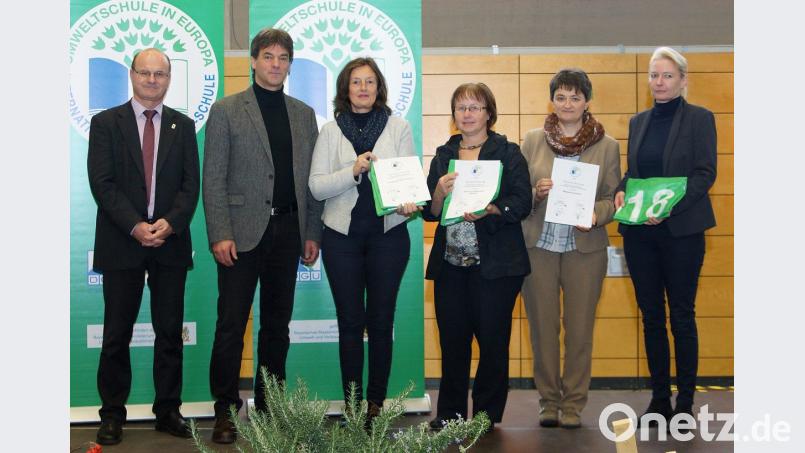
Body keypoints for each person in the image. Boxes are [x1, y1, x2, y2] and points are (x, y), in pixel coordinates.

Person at [203, 28, 323, 444]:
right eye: (268, 56)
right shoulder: (227, 110)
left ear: (290, 64)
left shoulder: (304, 114)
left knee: (277, 327)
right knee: (231, 325)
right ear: (253, 61)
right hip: (240, 233)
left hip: (289, 231)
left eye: (283, 57)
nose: (276, 64)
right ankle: (225, 409)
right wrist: (220, 232)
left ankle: (271, 407)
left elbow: (312, 181)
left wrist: (312, 232)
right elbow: (213, 178)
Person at [87, 48, 200, 445]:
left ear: (169, 79)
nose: (152, 80)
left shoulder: (183, 126)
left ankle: (168, 410)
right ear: (132, 75)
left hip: (170, 243)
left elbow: (191, 186)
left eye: (160, 74)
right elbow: (102, 184)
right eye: (145, 73)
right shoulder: (105, 123)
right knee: (117, 332)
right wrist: (136, 226)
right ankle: (112, 414)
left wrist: (170, 224)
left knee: (169, 332)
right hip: (122, 242)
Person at [308, 57, 418, 426]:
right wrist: (352, 171)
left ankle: (375, 404)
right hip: (342, 239)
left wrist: (409, 203)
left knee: (382, 320)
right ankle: (353, 404)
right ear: (346, 88)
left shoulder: (398, 126)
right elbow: (317, 185)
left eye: (370, 82)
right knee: (350, 323)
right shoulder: (330, 130)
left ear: (379, 87)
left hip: (389, 236)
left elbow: (409, 182)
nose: (364, 88)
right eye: (357, 82)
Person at [615, 47, 717, 425]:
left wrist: (667, 206)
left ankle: (685, 402)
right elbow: (635, 174)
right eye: (654, 75)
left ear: (683, 80)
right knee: (652, 317)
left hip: (681, 233)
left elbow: (705, 174)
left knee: (682, 317)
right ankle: (659, 399)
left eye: (667, 75)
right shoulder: (638, 122)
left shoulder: (700, 119)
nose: (659, 82)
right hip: (640, 234)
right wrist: (622, 191)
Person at [424, 83, 531, 433]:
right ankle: (451, 414)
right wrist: (439, 192)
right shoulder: (443, 154)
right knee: (453, 343)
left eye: (475, 107)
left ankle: (485, 416)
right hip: (451, 266)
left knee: (493, 344)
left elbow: (522, 201)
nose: (467, 114)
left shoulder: (508, 152)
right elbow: (430, 212)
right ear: (454, 114)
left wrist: (492, 209)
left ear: (489, 113)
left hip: (496, 268)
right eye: (461, 107)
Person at [520, 69, 621, 429]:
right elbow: (517, 196)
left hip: (584, 249)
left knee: (579, 331)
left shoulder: (607, 146)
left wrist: (597, 213)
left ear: (587, 102)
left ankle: (574, 405)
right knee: (543, 330)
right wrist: (536, 193)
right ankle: (548, 401)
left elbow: (612, 198)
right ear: (552, 101)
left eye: (575, 97)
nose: (567, 104)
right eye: (561, 97)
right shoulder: (532, 141)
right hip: (539, 247)